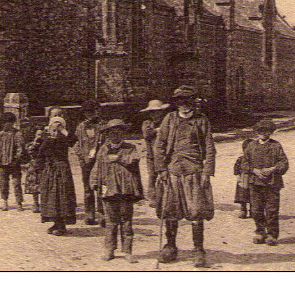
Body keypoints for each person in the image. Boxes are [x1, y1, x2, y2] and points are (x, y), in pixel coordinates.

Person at [153, 86, 216, 267]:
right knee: (170, 210)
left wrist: (207, 172)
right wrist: (161, 170)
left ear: (193, 102)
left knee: (196, 211)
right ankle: (170, 246)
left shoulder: (201, 121)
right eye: (180, 101)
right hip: (172, 172)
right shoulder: (169, 119)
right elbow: (160, 145)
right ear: (176, 103)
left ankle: (198, 250)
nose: (184, 104)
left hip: (194, 172)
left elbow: (210, 148)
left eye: (188, 100)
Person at [89, 119, 144, 263]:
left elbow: (134, 160)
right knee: (110, 221)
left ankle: (128, 251)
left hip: (125, 189)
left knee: (126, 220)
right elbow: (96, 166)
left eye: (119, 132)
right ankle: (110, 249)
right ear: (107, 134)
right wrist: (94, 181)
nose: (115, 135)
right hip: (109, 189)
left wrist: (119, 158)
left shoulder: (130, 148)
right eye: (112, 132)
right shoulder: (103, 149)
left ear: (123, 133)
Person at [241, 119, 289, 245]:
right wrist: (254, 170)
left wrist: (273, 169)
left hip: (272, 183)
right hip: (255, 183)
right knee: (256, 210)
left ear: (271, 132)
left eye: (267, 131)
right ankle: (259, 232)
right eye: (261, 131)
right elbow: (244, 163)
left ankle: (272, 235)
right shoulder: (251, 146)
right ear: (257, 133)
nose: (263, 134)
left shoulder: (276, 146)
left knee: (272, 210)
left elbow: (284, 163)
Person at [37, 110, 78, 235]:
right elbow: (40, 154)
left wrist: (63, 131)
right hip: (50, 170)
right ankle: (55, 222)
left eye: (58, 130)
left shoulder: (64, 139)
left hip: (62, 169)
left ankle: (62, 225)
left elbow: (73, 140)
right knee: (51, 196)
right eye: (53, 130)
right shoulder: (47, 139)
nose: (56, 132)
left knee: (62, 195)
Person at [74, 99, 105, 225]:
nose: (90, 115)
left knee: (101, 187)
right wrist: (82, 157)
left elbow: (107, 143)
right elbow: (76, 144)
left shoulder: (103, 126)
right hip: (86, 163)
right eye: (87, 112)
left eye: (92, 112)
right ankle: (89, 214)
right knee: (88, 189)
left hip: (100, 162)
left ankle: (103, 214)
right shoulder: (81, 127)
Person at [139, 99, 170, 206]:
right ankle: (153, 198)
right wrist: (157, 130)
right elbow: (147, 134)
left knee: (166, 175)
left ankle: (167, 197)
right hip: (152, 155)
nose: (155, 114)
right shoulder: (147, 123)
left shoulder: (167, 122)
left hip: (164, 154)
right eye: (152, 112)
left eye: (157, 112)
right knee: (152, 176)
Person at [0, 112, 26, 211]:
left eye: (7, 123)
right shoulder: (1, 134)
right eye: (3, 123)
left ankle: (19, 203)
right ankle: (5, 202)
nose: (5, 125)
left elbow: (21, 148)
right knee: (3, 183)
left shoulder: (17, 134)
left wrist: (16, 159)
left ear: (11, 123)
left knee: (16, 183)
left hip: (14, 162)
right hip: (2, 163)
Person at [22, 118, 42, 213]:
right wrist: (35, 142)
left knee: (43, 185)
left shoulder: (46, 143)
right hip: (34, 166)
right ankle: (35, 203)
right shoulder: (31, 144)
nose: (40, 136)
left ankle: (43, 203)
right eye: (38, 134)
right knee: (34, 185)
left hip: (43, 166)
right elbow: (29, 151)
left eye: (42, 135)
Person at [233, 137, 254, 218]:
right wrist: (238, 176)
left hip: (252, 180)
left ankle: (253, 211)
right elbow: (237, 168)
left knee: (253, 196)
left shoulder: (256, 160)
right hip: (243, 180)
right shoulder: (241, 159)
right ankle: (243, 210)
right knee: (242, 197)